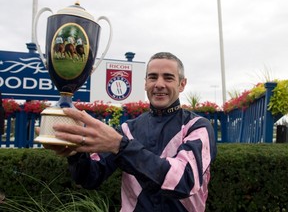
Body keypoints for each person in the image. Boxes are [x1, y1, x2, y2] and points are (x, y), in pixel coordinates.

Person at [43, 52, 217, 212]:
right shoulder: (128, 129)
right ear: (145, 83)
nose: (159, 84)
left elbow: (183, 181)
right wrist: (76, 154)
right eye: (153, 77)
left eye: (168, 78)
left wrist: (121, 147)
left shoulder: (198, 126)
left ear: (182, 84)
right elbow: (90, 177)